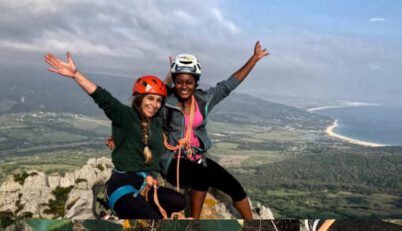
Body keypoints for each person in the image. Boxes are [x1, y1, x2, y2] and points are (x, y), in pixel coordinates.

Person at [43, 52, 187, 220]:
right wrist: (76, 75)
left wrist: (171, 75)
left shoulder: (156, 122)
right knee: (154, 221)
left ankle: (141, 209)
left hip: (146, 185)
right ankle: (112, 209)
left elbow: (159, 90)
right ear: (139, 99)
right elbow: (103, 97)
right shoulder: (125, 116)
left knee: (179, 202)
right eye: (149, 99)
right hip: (123, 184)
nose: (154, 104)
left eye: (158, 101)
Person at [160, 44, 269, 220]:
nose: (184, 86)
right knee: (201, 176)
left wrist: (254, 59)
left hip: (197, 159)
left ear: (196, 83)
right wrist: (168, 77)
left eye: (189, 82)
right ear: (174, 81)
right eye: (179, 81)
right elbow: (150, 100)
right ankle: (193, 223)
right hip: (173, 161)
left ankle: (254, 225)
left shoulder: (203, 100)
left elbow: (229, 85)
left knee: (235, 188)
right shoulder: (166, 102)